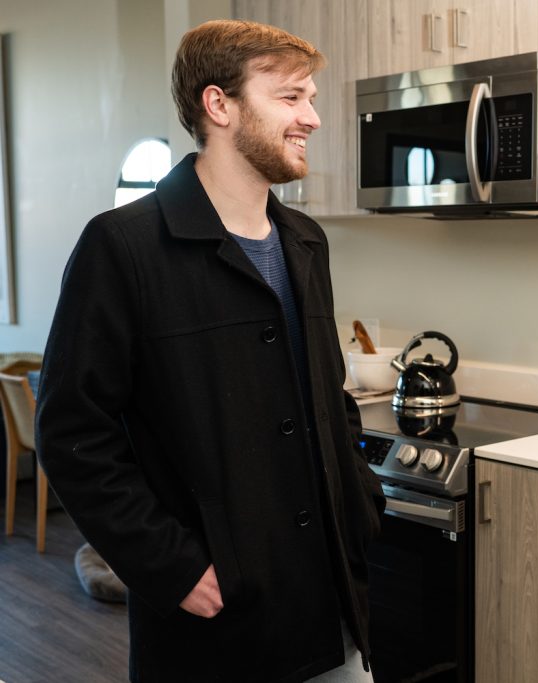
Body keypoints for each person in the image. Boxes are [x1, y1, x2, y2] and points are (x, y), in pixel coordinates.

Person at [36, 20, 385, 682]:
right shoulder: (124, 247)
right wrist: (173, 565)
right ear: (218, 104)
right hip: (216, 633)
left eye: (311, 97)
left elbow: (330, 397)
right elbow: (71, 433)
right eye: (289, 97)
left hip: (333, 610)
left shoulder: (306, 242)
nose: (311, 117)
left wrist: (358, 504)